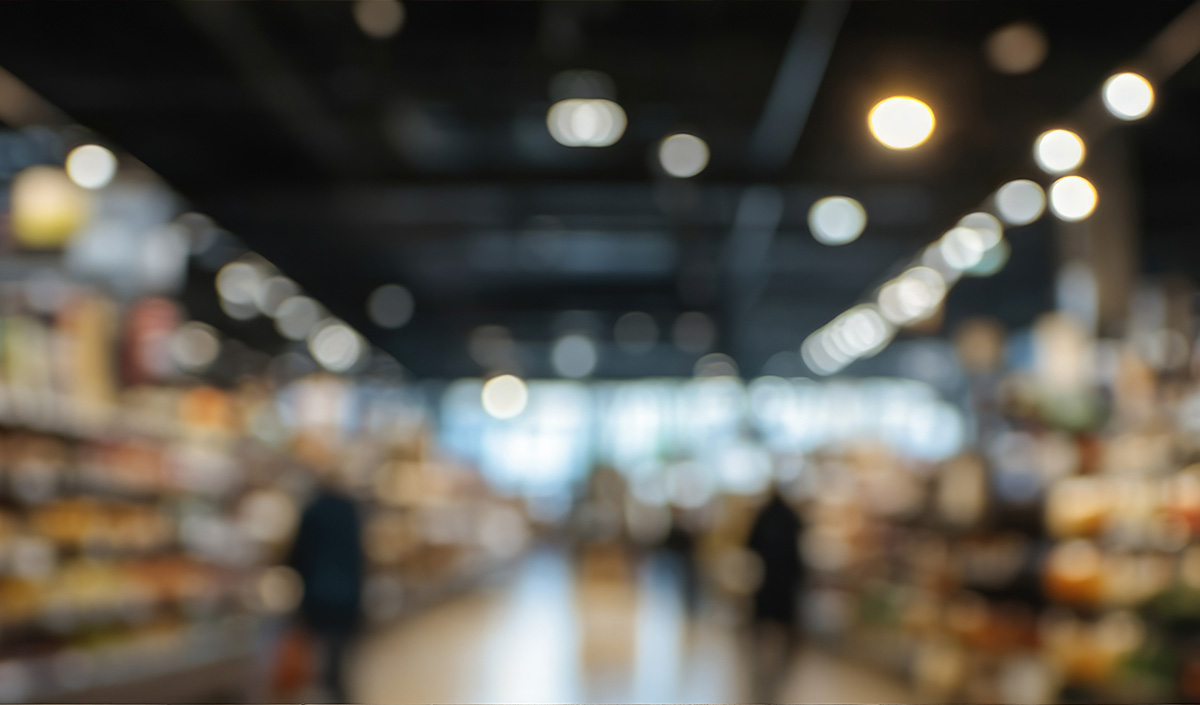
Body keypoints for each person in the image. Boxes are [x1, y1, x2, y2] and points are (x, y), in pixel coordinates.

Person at [285, 466, 365, 703]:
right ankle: (337, 695)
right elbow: (359, 556)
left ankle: (322, 694)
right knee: (339, 658)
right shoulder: (351, 511)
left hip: (318, 594)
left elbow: (297, 555)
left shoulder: (312, 510)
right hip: (349, 595)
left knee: (316, 656)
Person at [745, 488, 806, 701]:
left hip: (768, 580)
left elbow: (750, 543)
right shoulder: (792, 517)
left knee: (763, 621)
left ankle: (762, 654)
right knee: (783, 621)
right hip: (787, 582)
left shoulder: (764, 515)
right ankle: (779, 658)